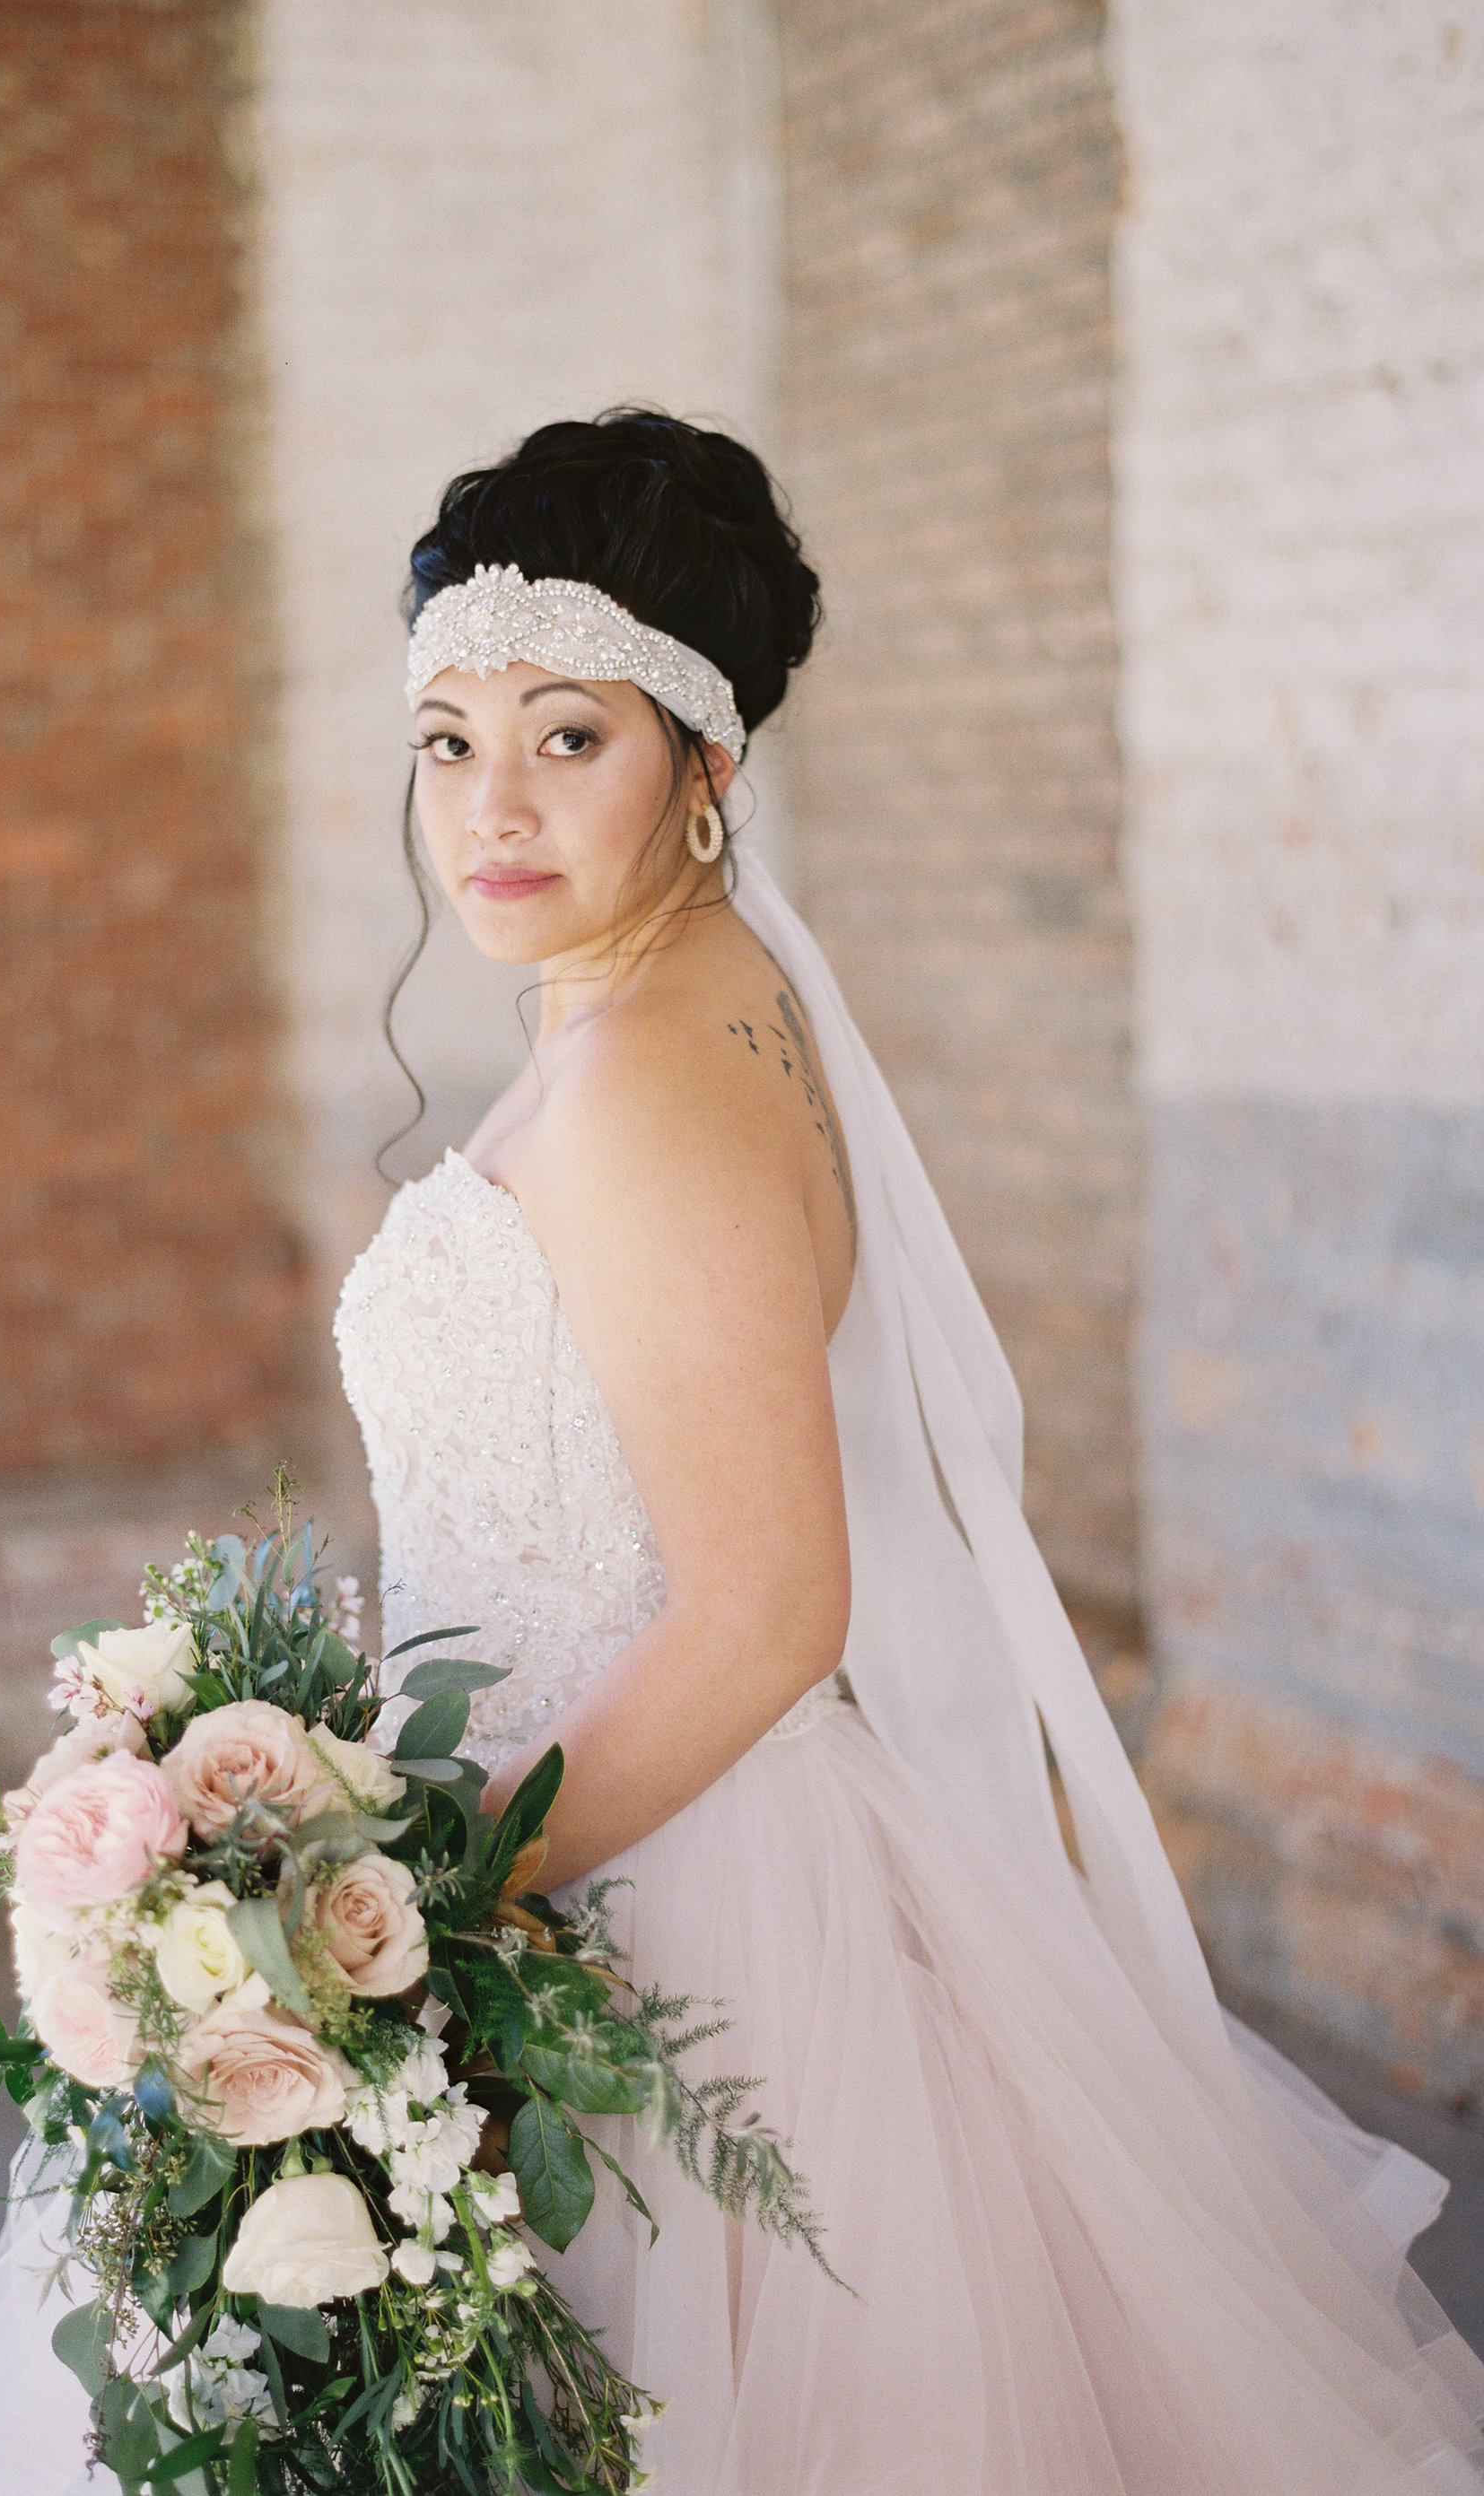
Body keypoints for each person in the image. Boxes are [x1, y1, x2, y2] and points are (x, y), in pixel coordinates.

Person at [329, 407, 1484, 2492]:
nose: (487, 805)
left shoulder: (650, 1085)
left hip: (639, 1888)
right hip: (622, 1828)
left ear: (709, 766)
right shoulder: (673, 1003)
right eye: (446, 739)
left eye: (565, 735)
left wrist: (416, 1893)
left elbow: (770, 1605)